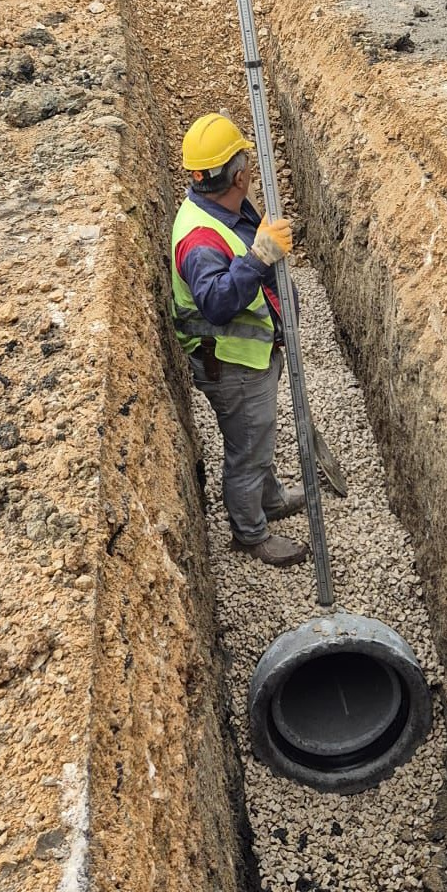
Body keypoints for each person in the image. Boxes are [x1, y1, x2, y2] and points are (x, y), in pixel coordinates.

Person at [170, 112, 309, 567]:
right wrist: (263, 254)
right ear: (238, 174)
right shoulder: (200, 238)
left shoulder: (222, 209)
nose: (252, 169)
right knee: (248, 448)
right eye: (247, 162)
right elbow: (217, 301)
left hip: (248, 355)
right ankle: (251, 533)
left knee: (258, 437)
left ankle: (268, 499)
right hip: (231, 363)